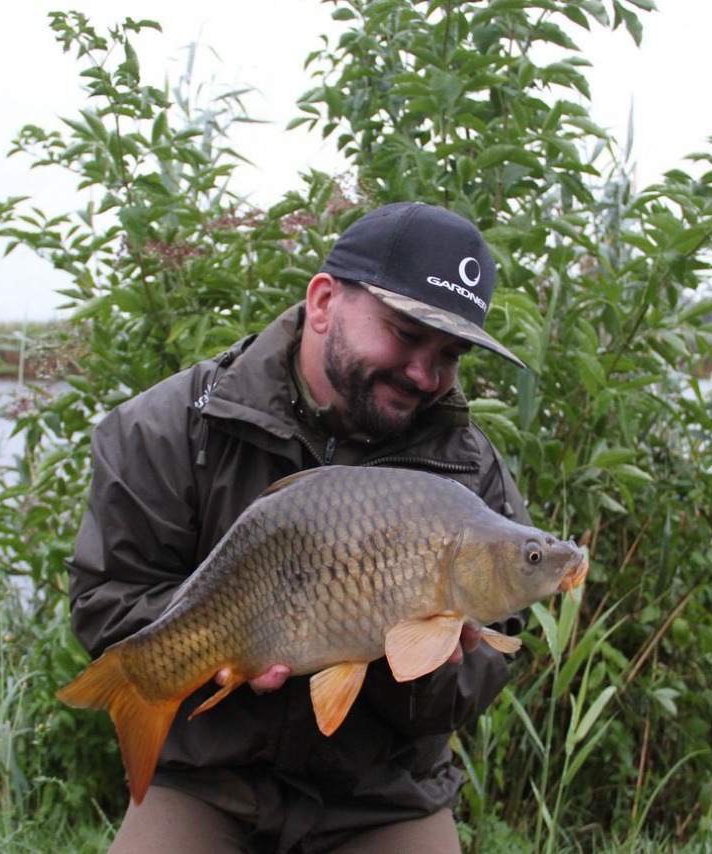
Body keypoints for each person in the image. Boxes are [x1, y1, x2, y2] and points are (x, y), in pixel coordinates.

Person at [66, 202, 532, 853]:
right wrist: (226, 634)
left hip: (383, 793)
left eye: (449, 354)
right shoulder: (174, 424)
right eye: (404, 333)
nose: (424, 375)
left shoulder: (469, 470)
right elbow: (103, 601)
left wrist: (420, 662)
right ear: (322, 302)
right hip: (211, 776)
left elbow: (480, 677)